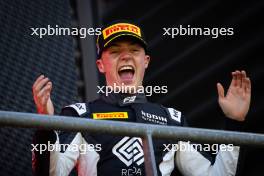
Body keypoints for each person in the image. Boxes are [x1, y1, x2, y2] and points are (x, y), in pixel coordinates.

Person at [32, 21, 251, 176]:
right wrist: (45, 124)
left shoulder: (171, 120)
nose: (126, 56)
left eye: (134, 50)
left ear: (145, 61)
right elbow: (51, 173)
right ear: (101, 65)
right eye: (115, 51)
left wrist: (234, 123)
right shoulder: (80, 115)